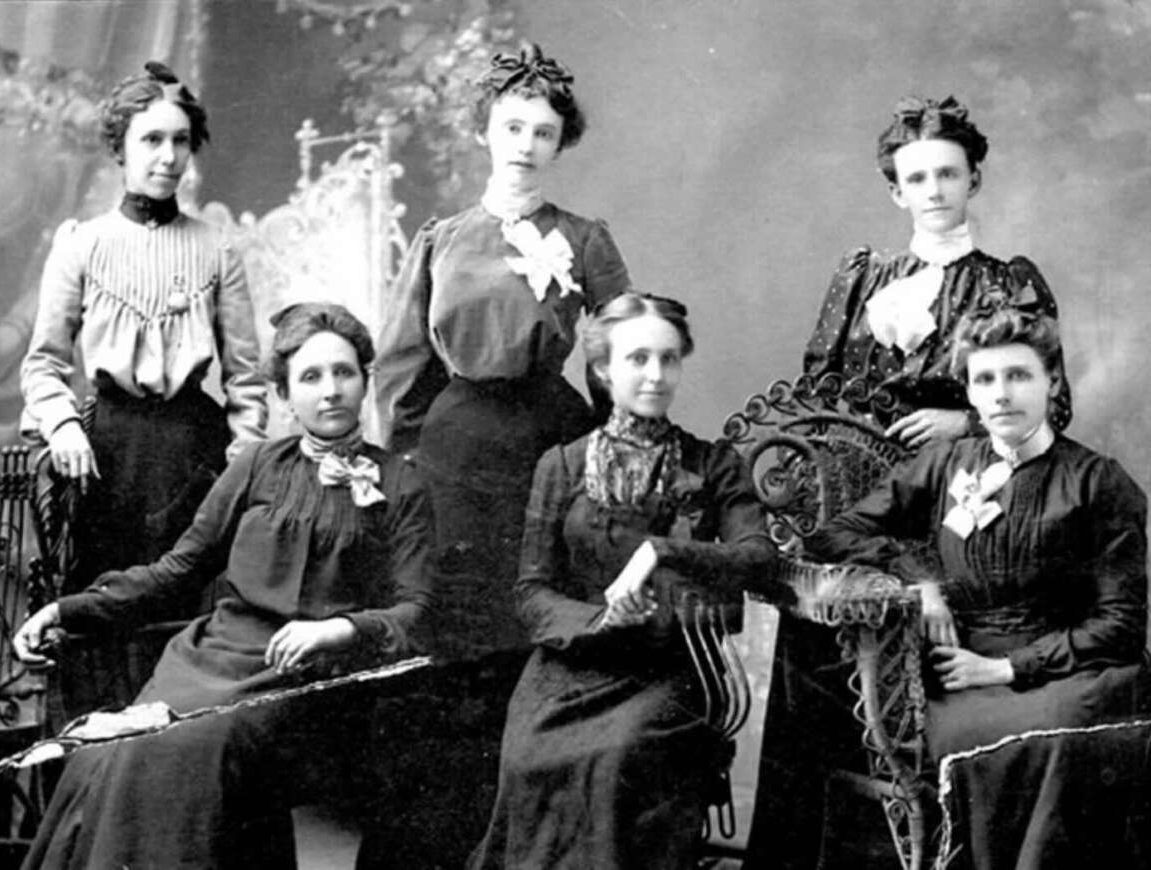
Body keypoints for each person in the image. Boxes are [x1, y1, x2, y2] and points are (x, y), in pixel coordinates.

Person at [12, 302, 434, 870]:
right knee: (109, 747)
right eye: (310, 377)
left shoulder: (402, 484)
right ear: (285, 395)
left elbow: (418, 611)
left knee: (183, 748)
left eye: (344, 372)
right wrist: (66, 611)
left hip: (307, 678)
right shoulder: (257, 465)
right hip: (211, 656)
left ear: (365, 380)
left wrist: (338, 629)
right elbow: (176, 571)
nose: (330, 390)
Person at [368, 41, 632, 867]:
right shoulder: (442, 237)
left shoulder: (585, 239)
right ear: (485, 131)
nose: (525, 144)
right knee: (452, 631)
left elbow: (621, 351)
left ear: (561, 144)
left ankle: (525, 833)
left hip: (546, 441)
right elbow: (402, 362)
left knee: (534, 619)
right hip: (452, 445)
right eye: (511, 126)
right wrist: (402, 463)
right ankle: (438, 835)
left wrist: (613, 451)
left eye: (544, 132)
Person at [804, 304, 1150, 867]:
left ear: (1052, 382)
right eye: (985, 379)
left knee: (1063, 733)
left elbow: (1121, 624)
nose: (1002, 394)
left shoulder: (1097, 482)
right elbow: (835, 536)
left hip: (1078, 667)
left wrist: (1010, 669)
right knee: (984, 738)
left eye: (1019, 376)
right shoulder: (944, 465)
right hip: (963, 666)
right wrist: (922, 585)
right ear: (968, 390)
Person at [468, 293, 791, 869]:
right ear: (603, 370)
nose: (656, 375)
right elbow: (531, 590)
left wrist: (660, 551)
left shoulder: (712, 464)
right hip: (571, 666)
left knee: (617, 760)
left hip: (669, 665)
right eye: (638, 359)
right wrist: (598, 619)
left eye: (669, 360)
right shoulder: (561, 466)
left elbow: (759, 559)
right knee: (527, 758)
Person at [20, 59, 267, 603]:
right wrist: (62, 426)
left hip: (194, 451)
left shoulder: (217, 247)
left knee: (187, 601)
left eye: (180, 140)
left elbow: (247, 379)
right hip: (106, 455)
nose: (168, 156)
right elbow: (42, 364)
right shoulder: (81, 244)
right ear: (120, 147)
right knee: (105, 604)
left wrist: (243, 461)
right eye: (151, 139)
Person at [803, 95, 1072, 448]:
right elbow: (814, 393)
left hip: (966, 473)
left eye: (947, 174)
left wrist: (967, 423)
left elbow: (1056, 407)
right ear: (898, 193)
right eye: (917, 179)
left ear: (972, 181)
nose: (933, 192)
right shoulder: (862, 278)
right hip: (862, 475)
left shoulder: (1010, 285)